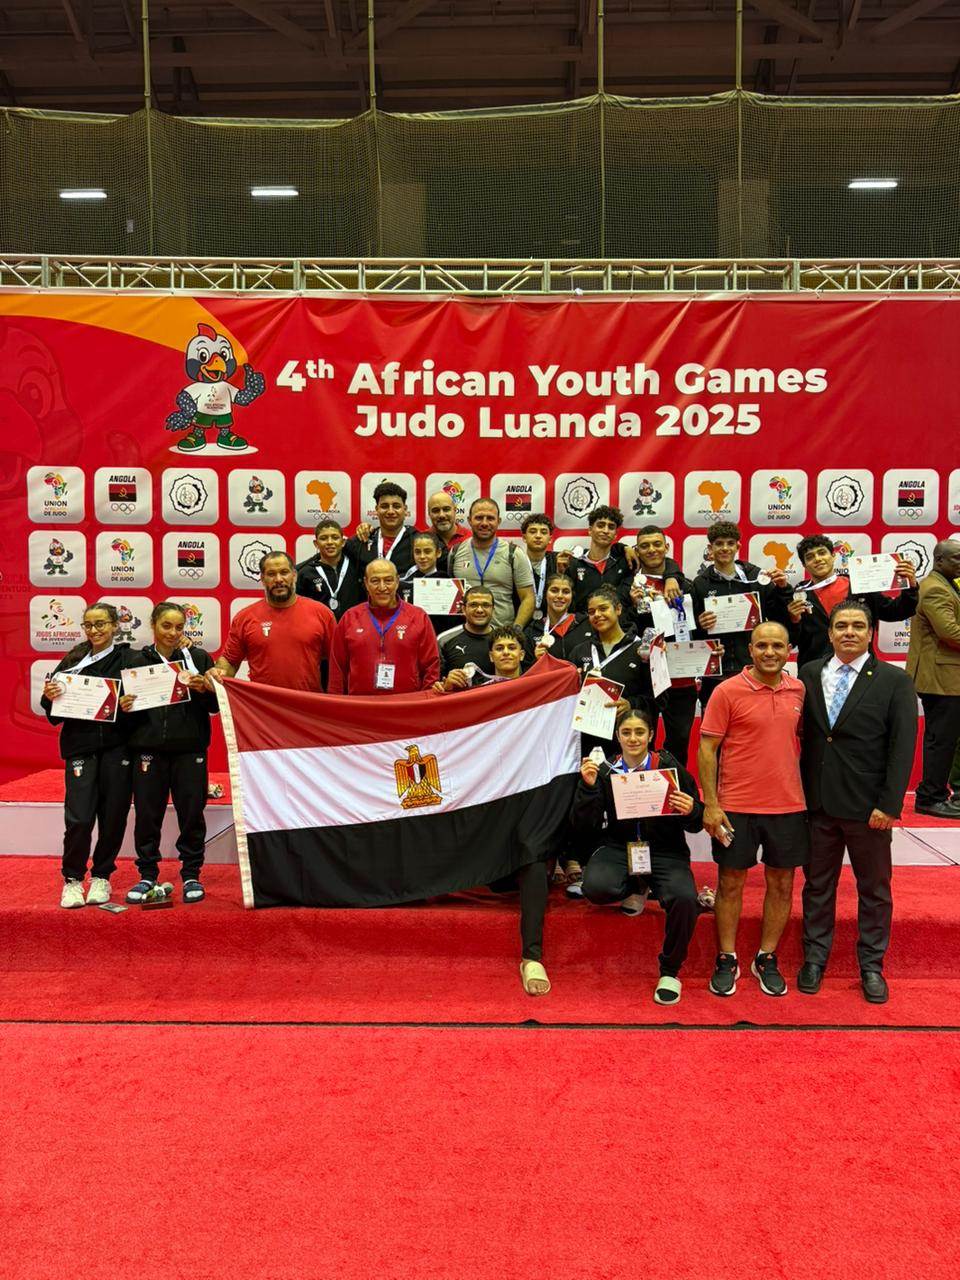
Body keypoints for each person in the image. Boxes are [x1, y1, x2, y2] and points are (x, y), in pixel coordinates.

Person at [797, 601, 918, 1004]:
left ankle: (871, 966)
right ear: (830, 633)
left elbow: (902, 747)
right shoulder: (809, 673)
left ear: (871, 633)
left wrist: (889, 805)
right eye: (841, 626)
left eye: (858, 626)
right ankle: (815, 958)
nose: (849, 632)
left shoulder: (894, 680)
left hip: (869, 809)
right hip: (817, 804)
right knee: (817, 887)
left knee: (874, 891)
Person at [436, 623, 557, 996]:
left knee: (533, 858)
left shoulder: (544, 688)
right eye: (500, 647)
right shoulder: (475, 691)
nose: (506, 652)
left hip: (532, 795)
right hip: (486, 797)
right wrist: (443, 690)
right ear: (490, 655)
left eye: (512, 647)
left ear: (523, 653)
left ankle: (531, 956)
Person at [698, 621, 808, 998]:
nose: (770, 652)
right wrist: (711, 804)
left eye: (777, 646)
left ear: (789, 650)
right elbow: (707, 749)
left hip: (788, 806)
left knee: (782, 883)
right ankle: (727, 957)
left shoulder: (799, 690)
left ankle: (766, 957)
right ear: (750, 650)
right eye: (762, 645)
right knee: (730, 883)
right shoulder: (727, 691)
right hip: (735, 807)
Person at [572, 707, 704, 1005]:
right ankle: (639, 884)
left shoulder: (668, 766)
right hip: (620, 847)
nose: (633, 738)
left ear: (651, 735)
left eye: (639, 732)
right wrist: (588, 789)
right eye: (626, 732)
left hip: (666, 851)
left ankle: (670, 971)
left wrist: (692, 810)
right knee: (595, 888)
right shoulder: (605, 771)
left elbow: (696, 823)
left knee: (685, 899)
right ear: (617, 736)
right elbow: (584, 827)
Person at [121, 602, 219, 904]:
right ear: (153, 625)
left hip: (190, 750)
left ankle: (191, 873)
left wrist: (205, 689)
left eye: (179, 627)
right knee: (147, 815)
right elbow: (123, 713)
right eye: (166, 626)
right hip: (148, 751)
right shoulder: (135, 660)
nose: (173, 633)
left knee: (192, 814)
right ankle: (147, 874)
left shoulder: (198, 658)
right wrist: (124, 706)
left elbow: (215, 707)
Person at [41, 602, 133, 908]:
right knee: (79, 818)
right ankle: (72, 879)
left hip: (118, 748)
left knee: (113, 816)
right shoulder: (74, 658)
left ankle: (102, 876)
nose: (94, 630)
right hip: (80, 747)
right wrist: (49, 696)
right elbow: (53, 707)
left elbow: (148, 690)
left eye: (101, 624)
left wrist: (130, 703)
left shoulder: (129, 658)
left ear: (115, 625)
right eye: (89, 625)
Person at [692, 521, 792, 707]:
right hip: (716, 674)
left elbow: (781, 619)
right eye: (719, 543)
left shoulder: (757, 578)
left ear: (738, 546)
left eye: (730, 543)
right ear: (710, 548)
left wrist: (783, 588)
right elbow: (693, 634)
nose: (725, 548)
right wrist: (700, 625)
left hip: (752, 669)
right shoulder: (700, 584)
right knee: (715, 723)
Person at [210, 551, 335, 692]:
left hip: (307, 703)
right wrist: (218, 673)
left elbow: (338, 662)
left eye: (284, 572)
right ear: (262, 579)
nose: (278, 579)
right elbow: (229, 662)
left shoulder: (322, 614)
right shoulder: (245, 618)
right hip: (261, 704)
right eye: (271, 574)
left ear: (294, 575)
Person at [788, 534, 917, 668]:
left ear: (833, 555)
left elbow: (897, 611)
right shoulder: (798, 596)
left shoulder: (859, 585)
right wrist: (793, 621)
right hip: (815, 671)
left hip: (860, 669)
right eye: (810, 557)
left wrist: (911, 587)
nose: (817, 559)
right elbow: (791, 641)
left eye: (822, 553)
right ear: (804, 565)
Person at [626, 525, 696, 767]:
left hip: (680, 675)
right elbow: (623, 628)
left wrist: (710, 650)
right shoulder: (630, 586)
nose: (652, 550)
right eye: (644, 546)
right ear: (637, 551)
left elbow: (698, 629)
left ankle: (675, 785)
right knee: (640, 739)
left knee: (679, 740)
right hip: (643, 677)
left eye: (657, 544)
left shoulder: (684, 585)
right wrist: (632, 607)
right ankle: (641, 786)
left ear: (666, 547)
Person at [567, 585, 655, 760]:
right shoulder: (579, 652)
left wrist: (631, 704)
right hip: (588, 741)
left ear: (618, 609)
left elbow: (659, 700)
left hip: (628, 742)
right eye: (591, 612)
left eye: (603, 608)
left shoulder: (642, 650)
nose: (597, 615)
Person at [905, 538, 960, 818]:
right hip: (940, 678)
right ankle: (930, 798)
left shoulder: (944, 584)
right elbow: (950, 633)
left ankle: (938, 793)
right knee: (941, 740)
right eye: (957, 559)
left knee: (945, 739)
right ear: (939, 560)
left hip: (945, 677)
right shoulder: (936, 588)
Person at [328, 559, 440, 695]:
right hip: (360, 703)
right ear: (366, 583)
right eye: (375, 581)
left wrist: (426, 700)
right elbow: (337, 669)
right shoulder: (350, 618)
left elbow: (431, 667)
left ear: (397, 581)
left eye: (388, 580)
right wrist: (335, 701)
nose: (382, 587)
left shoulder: (418, 617)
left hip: (407, 704)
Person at [448, 498, 535, 627]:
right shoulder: (455, 552)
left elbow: (528, 598)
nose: (484, 523)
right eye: (479, 518)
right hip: (465, 633)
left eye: (490, 518)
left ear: (498, 521)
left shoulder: (513, 554)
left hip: (501, 633)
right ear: (469, 520)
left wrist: (515, 631)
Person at [566, 505, 633, 613]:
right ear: (590, 530)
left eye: (611, 527)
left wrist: (670, 576)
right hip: (582, 622)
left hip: (616, 622)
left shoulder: (625, 562)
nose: (606, 531)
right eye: (600, 525)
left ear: (615, 534)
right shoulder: (574, 562)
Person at [295, 518, 364, 620]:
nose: (330, 542)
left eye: (335, 537)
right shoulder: (306, 573)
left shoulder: (356, 567)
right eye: (323, 538)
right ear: (316, 544)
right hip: (320, 628)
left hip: (353, 626)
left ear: (343, 542)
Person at [350, 480, 422, 576]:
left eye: (396, 506)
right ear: (376, 510)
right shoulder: (362, 541)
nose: (391, 511)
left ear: (405, 510)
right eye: (384, 506)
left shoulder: (419, 541)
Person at [399, 532, 456, 635]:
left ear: (438, 553)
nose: (422, 556)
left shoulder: (448, 584)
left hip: (436, 634)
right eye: (417, 552)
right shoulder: (401, 581)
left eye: (427, 551)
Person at [525, 573, 590, 662]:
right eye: (554, 591)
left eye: (566, 592)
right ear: (545, 594)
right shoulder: (532, 630)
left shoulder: (586, 623)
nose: (560, 596)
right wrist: (536, 661)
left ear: (572, 596)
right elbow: (526, 668)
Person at [438, 586, 498, 679]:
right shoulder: (444, 640)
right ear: (463, 609)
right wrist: (446, 683)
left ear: (493, 609)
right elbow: (436, 681)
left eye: (486, 605)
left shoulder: (505, 639)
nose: (480, 610)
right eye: (473, 605)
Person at [520, 513, 562, 621]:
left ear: (550, 539)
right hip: (521, 621)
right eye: (533, 531)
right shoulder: (515, 562)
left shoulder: (558, 561)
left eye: (543, 532)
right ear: (524, 537)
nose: (538, 536)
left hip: (552, 623)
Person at [426, 489, 470, 567]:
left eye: (446, 509)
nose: (441, 515)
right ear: (429, 514)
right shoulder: (422, 539)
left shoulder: (470, 538)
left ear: (455, 510)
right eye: (436, 511)